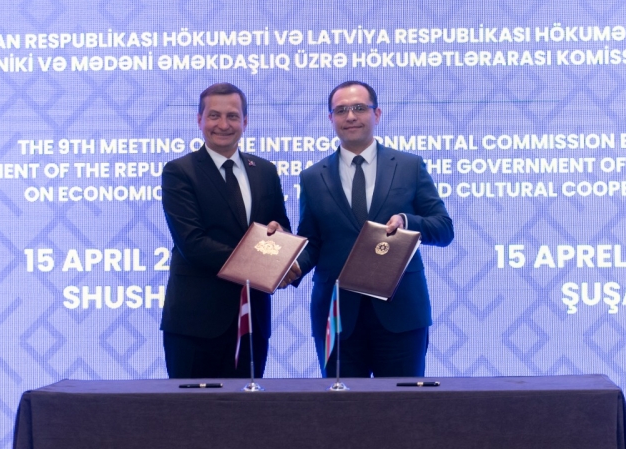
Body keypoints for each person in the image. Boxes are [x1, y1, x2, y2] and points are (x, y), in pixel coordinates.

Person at [295, 80, 454, 377]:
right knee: (342, 405)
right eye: (341, 110)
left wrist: (407, 221)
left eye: (359, 108)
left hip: (401, 312)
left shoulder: (409, 166)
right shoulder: (312, 177)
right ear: (330, 118)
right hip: (336, 316)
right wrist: (290, 268)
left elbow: (444, 228)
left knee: (402, 403)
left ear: (377, 114)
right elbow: (312, 242)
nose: (350, 116)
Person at [160, 82, 299, 378]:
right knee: (192, 408)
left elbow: (281, 225)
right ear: (199, 120)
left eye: (233, 116)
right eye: (214, 116)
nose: (223, 125)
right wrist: (263, 263)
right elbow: (193, 244)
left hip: (252, 320)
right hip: (195, 323)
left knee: (247, 407)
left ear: (245, 122)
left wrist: (281, 237)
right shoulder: (179, 171)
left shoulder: (265, 171)